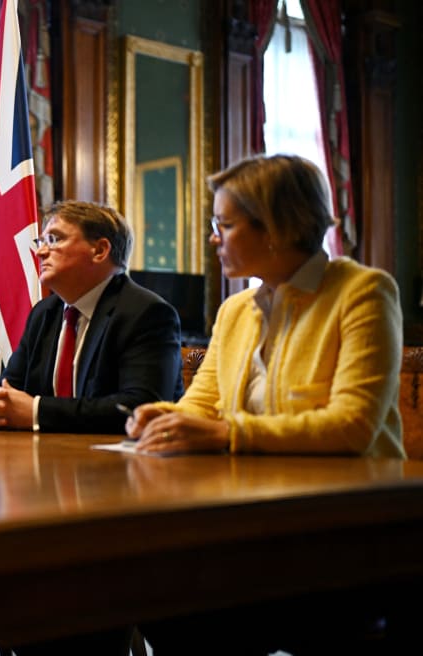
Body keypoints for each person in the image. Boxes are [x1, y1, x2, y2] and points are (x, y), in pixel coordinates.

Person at [124, 154, 405, 654]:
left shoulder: (363, 292)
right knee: (153, 597)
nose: (214, 238)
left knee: (190, 611)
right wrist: (162, 416)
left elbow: (354, 426)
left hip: (344, 531)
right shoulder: (236, 309)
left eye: (224, 225)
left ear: (276, 226)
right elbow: (201, 404)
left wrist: (227, 434)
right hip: (251, 518)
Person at [0, 200, 183, 434]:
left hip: (121, 463)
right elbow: (6, 386)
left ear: (100, 250)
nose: (40, 252)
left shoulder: (146, 313)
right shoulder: (44, 313)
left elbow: (140, 408)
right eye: (41, 242)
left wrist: (36, 411)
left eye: (54, 239)